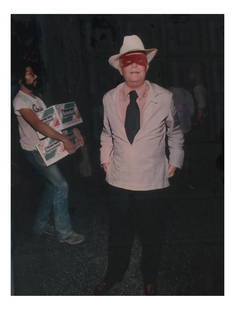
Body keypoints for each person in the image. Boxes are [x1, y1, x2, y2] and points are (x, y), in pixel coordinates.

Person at [95, 35, 184, 295]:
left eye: (140, 61)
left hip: (153, 181)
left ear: (147, 66)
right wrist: (104, 159)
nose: (135, 66)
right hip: (119, 180)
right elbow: (106, 133)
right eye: (129, 61)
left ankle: (149, 278)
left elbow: (175, 133)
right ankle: (113, 274)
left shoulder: (165, 97)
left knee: (151, 236)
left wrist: (175, 162)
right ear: (121, 67)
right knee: (119, 235)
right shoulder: (109, 98)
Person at [13, 63, 85, 245]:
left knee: (52, 186)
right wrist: (64, 139)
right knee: (61, 185)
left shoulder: (36, 99)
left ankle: (39, 226)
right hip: (34, 151)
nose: (35, 77)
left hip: (46, 148)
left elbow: (54, 121)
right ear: (20, 78)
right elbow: (38, 125)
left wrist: (73, 131)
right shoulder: (20, 101)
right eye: (30, 74)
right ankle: (65, 233)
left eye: (35, 74)